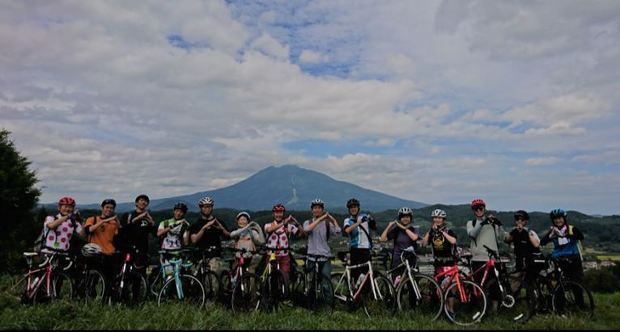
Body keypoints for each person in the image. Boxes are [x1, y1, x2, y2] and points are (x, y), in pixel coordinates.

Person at [466, 198, 508, 313]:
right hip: (478, 259)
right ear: (473, 211)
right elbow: (472, 234)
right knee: (479, 286)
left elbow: (502, 237)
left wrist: (499, 224)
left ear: (484, 208)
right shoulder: (471, 223)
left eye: (481, 208)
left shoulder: (492, 225)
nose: (479, 210)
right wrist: (482, 221)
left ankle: (494, 309)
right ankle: (480, 309)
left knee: (495, 286)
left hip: (493, 259)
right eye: (476, 209)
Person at [420, 208, 458, 319]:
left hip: (449, 262)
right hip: (438, 264)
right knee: (439, 289)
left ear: (443, 219)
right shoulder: (432, 232)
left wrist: (442, 232)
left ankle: (451, 310)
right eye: (435, 218)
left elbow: (453, 241)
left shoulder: (448, 230)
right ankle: (443, 310)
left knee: (450, 288)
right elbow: (424, 244)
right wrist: (430, 231)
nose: (437, 219)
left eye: (439, 218)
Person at [83, 198, 120, 293]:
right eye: (107, 207)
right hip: (95, 253)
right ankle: (90, 296)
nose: (109, 210)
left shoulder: (114, 223)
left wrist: (118, 223)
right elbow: (88, 230)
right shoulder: (93, 219)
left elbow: (118, 236)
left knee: (109, 279)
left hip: (110, 253)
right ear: (102, 208)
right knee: (93, 279)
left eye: (111, 208)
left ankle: (107, 299)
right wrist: (102, 222)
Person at [540, 208, 585, 283]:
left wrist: (565, 235)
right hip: (559, 259)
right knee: (561, 283)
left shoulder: (571, 228)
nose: (557, 221)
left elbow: (580, 236)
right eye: (555, 219)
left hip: (573, 258)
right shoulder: (553, 231)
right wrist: (550, 236)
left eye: (560, 218)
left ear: (564, 218)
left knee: (576, 282)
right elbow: (542, 242)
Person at [303, 199, 341, 284]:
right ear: (312, 210)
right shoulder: (307, 222)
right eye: (315, 208)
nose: (317, 210)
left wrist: (334, 220)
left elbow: (338, 232)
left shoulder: (327, 224)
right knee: (312, 284)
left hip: (325, 257)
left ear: (322, 210)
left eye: (319, 208)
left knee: (326, 283)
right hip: (311, 257)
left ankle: (326, 297)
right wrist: (320, 219)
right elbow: (306, 230)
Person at [189, 196, 230, 275]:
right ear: (201, 208)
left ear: (212, 208)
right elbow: (194, 240)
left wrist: (221, 227)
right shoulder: (197, 224)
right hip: (200, 256)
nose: (207, 209)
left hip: (215, 256)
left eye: (209, 207)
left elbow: (228, 236)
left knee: (215, 278)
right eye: (205, 207)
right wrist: (204, 228)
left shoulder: (218, 221)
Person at [264, 203, 304, 283]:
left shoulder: (289, 226)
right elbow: (269, 230)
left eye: (280, 212)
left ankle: (284, 292)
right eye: (276, 212)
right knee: (271, 277)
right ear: (273, 214)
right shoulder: (268, 225)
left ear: (283, 213)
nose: (278, 215)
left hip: (284, 255)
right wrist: (283, 223)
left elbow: (301, 234)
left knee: (285, 276)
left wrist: (296, 222)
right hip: (271, 255)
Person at [118, 194, 156, 278]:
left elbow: (155, 234)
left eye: (146, 201)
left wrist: (152, 222)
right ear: (136, 203)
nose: (144, 202)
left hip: (142, 251)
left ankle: (137, 291)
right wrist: (137, 218)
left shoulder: (147, 218)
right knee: (125, 274)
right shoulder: (128, 215)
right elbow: (123, 230)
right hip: (128, 249)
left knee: (139, 276)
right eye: (141, 200)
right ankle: (122, 290)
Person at [379, 207, 419, 285]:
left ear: (410, 218)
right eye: (403, 217)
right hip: (398, 261)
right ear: (400, 218)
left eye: (407, 217)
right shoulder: (397, 230)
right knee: (396, 286)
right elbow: (382, 239)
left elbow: (414, 238)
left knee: (413, 285)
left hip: (411, 261)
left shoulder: (414, 229)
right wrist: (389, 226)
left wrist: (403, 228)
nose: (405, 219)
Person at [504, 210, 541, 292]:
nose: (519, 221)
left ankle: (533, 300)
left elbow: (536, 244)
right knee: (515, 282)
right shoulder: (514, 232)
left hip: (530, 262)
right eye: (517, 219)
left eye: (522, 220)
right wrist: (513, 232)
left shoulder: (530, 231)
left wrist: (525, 231)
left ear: (526, 221)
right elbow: (507, 240)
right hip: (518, 261)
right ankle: (514, 299)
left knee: (531, 283)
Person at [343, 198, 376, 283]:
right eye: (351, 207)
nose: (353, 209)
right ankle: (354, 293)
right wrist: (358, 222)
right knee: (356, 275)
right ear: (349, 210)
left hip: (366, 250)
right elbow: (347, 230)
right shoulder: (348, 220)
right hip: (355, 250)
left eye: (355, 207)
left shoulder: (364, 217)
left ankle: (366, 294)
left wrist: (371, 219)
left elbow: (374, 227)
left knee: (367, 275)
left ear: (358, 208)